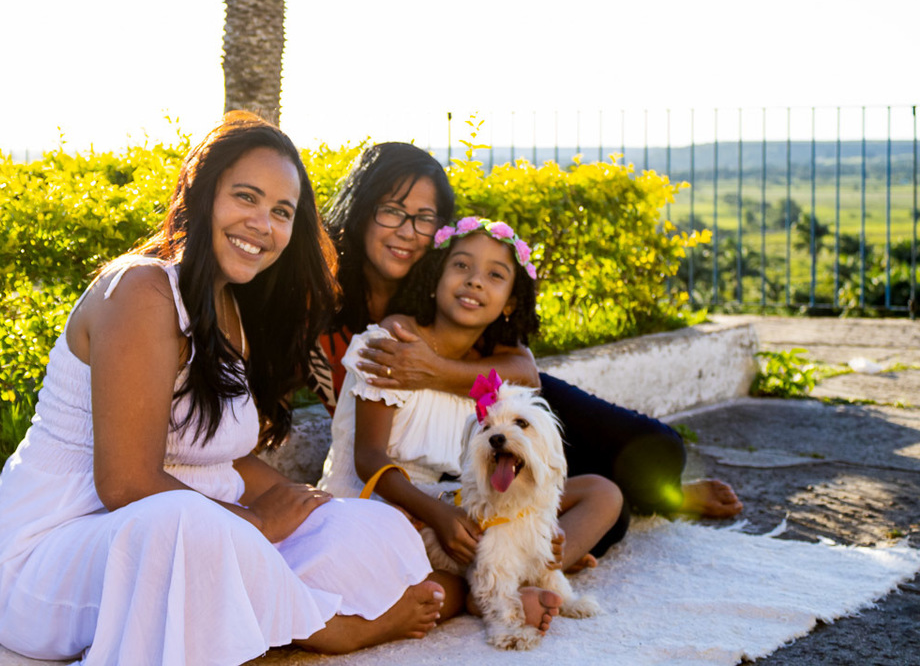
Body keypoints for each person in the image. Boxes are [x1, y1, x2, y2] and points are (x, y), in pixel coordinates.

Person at [0, 114, 447, 666]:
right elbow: (126, 484)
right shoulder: (141, 289)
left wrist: (307, 507)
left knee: (358, 525)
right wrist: (258, 525)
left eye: (281, 212)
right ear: (201, 195)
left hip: (184, 531)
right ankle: (332, 630)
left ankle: (287, 609)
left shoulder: (229, 307)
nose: (262, 224)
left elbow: (224, 459)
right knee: (186, 526)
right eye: (246, 197)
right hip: (54, 558)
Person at [311, 143, 741, 554]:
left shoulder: (450, 272)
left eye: (424, 218)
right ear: (362, 209)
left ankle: (658, 494)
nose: (407, 231)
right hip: (430, 442)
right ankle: (588, 523)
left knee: (658, 451)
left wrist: (433, 369)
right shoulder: (323, 296)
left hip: (489, 394)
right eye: (391, 211)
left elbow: (525, 373)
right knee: (611, 517)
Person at [319, 217, 624, 632]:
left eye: (495, 275)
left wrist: (535, 529)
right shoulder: (394, 343)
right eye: (461, 265)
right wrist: (439, 516)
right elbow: (368, 460)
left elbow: (528, 376)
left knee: (601, 493)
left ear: (510, 302)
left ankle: (528, 567)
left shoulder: (491, 370)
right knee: (437, 590)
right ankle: (494, 591)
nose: (475, 281)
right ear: (434, 279)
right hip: (378, 500)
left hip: (446, 502)